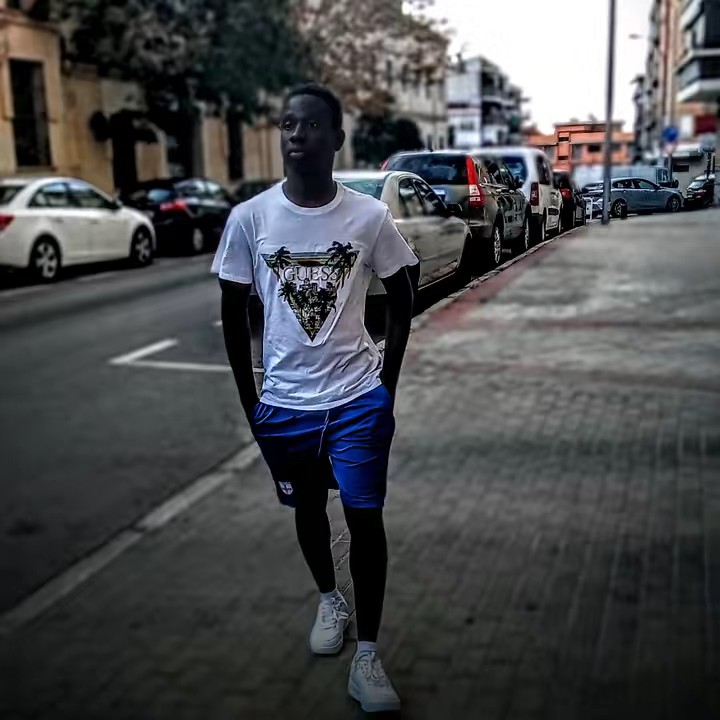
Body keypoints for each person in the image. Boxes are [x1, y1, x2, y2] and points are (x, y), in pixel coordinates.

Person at [212, 83, 417, 713]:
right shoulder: (250, 218)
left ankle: (368, 656)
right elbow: (232, 312)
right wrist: (251, 405)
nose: (295, 134)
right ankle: (330, 600)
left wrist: (386, 385)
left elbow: (403, 292)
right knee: (307, 509)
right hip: (285, 406)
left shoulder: (368, 217)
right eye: (287, 124)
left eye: (309, 125)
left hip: (357, 398)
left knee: (365, 519)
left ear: (336, 139)